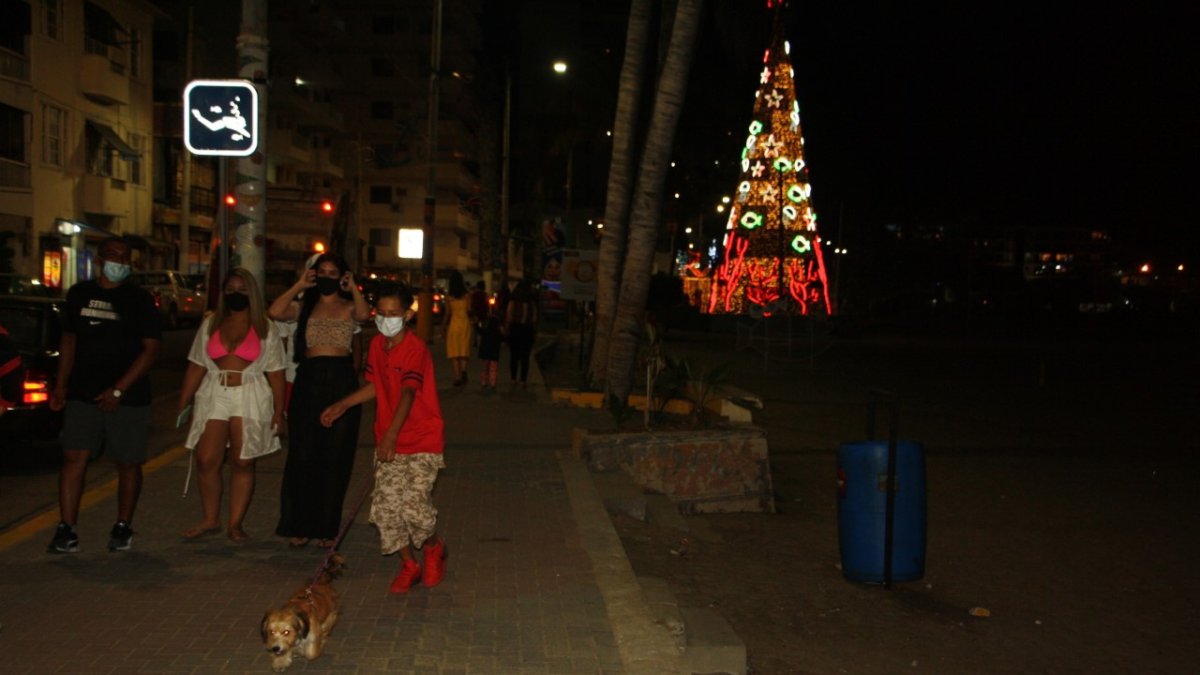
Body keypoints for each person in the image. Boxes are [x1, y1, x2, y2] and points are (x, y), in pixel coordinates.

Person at [320, 283, 446, 593]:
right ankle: (408, 564)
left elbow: (407, 393)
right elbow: (376, 384)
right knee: (387, 510)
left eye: (394, 314)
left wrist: (391, 435)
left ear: (407, 315)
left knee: (414, 508)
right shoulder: (378, 345)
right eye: (382, 313)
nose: (387, 319)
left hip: (421, 440)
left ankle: (433, 547)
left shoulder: (415, 349)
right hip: (389, 440)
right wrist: (344, 404)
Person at [47, 237, 161, 553]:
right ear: (99, 260)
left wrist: (119, 389)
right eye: (112, 256)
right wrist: (61, 385)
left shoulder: (139, 300)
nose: (118, 262)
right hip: (83, 392)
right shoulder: (79, 294)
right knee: (74, 456)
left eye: (124, 258)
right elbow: (69, 340)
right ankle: (66, 527)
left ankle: (123, 525)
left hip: (129, 396)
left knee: (127, 462)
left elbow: (150, 350)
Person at [269, 253, 370, 549]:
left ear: (342, 276)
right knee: (303, 453)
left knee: (336, 456)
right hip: (309, 379)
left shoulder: (350, 306)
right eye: (321, 271)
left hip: (341, 380)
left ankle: (327, 527)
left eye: (332, 272)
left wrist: (353, 288)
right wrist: (299, 284)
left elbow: (364, 315)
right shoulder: (304, 306)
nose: (326, 276)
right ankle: (298, 525)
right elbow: (275, 312)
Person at [177, 268, 286, 542]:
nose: (236, 295)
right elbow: (196, 366)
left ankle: (235, 523)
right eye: (230, 290)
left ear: (252, 292)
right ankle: (210, 519)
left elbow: (276, 372)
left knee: (242, 460)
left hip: (250, 392)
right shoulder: (212, 323)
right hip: (214, 391)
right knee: (206, 459)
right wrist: (183, 404)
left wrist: (279, 411)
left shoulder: (265, 327)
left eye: (242, 289)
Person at [504, 279, 538, 390]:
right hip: (527, 331)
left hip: (515, 330)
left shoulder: (513, 302)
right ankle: (523, 380)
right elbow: (534, 319)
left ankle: (513, 378)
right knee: (525, 357)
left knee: (514, 356)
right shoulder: (531, 303)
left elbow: (509, 316)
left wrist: (507, 329)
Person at [442, 271, 471, 387]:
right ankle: (463, 370)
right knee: (463, 349)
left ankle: (457, 377)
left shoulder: (449, 296)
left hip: (454, 324)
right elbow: (469, 309)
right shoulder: (467, 295)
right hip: (465, 323)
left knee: (453, 351)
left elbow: (447, 313)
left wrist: (444, 327)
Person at [477, 302, 503, 392]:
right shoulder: (497, 326)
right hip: (494, 350)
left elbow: (480, 331)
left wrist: (475, 325)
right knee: (493, 368)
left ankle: (484, 382)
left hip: (485, 349)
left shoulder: (485, 325)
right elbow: (502, 336)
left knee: (485, 367)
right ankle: (492, 383)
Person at [468, 280, 489, 346]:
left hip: (476, 312)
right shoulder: (485, 294)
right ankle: (483, 340)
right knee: (484, 326)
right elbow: (487, 304)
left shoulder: (474, 294)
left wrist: (472, 311)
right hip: (484, 312)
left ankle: (475, 341)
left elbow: (472, 303)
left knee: (475, 327)